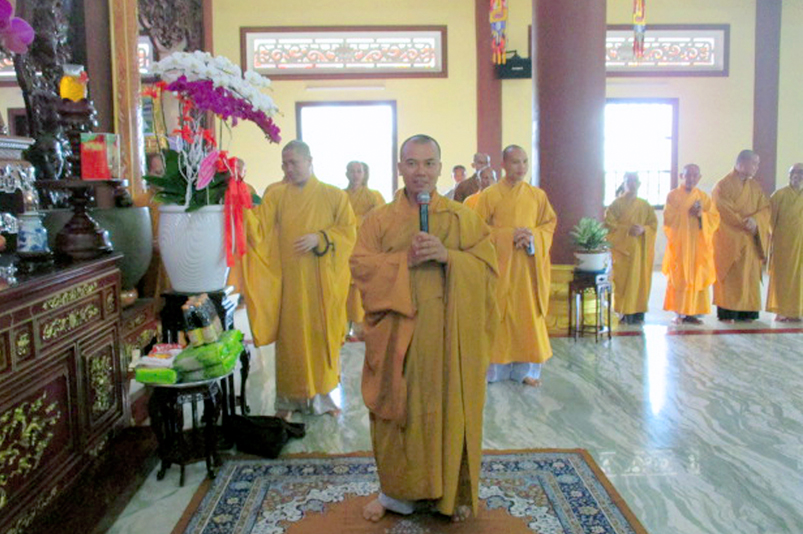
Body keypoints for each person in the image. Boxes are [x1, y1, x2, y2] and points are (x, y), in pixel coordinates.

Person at [351, 135, 498, 523]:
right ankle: (395, 494)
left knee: (449, 409)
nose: (421, 172)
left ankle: (449, 493)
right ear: (400, 167)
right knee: (397, 411)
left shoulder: (462, 218)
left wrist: (449, 258)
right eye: (412, 163)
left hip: (449, 334)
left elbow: (488, 270)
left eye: (429, 163)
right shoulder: (378, 220)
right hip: (396, 333)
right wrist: (404, 262)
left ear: (439, 168)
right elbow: (360, 267)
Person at [242, 140, 357, 418]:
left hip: (322, 284)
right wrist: (240, 204)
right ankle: (287, 402)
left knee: (321, 338)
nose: (288, 169)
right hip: (290, 284)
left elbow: (349, 232)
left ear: (309, 161)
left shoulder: (334, 195)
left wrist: (321, 238)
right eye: (284, 164)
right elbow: (259, 229)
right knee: (291, 343)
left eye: (293, 162)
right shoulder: (276, 196)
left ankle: (324, 398)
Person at [475, 145, 555, 387]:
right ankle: (494, 371)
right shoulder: (489, 195)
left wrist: (532, 237)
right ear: (503, 164)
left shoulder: (537, 196)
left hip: (528, 267)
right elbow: (477, 230)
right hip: (499, 267)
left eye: (525, 162)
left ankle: (526, 371)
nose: (521, 167)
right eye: (515, 162)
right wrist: (508, 236)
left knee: (527, 317)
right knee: (499, 316)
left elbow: (548, 225)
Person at [712, 150, 770, 322]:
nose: (756, 167)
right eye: (754, 163)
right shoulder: (722, 185)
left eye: (758, 164)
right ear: (741, 163)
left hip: (751, 239)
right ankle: (728, 312)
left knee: (749, 277)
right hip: (731, 239)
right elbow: (722, 210)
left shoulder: (755, 187)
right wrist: (745, 223)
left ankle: (748, 311)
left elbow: (765, 208)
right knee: (731, 277)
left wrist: (756, 221)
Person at [661, 164, 720, 324]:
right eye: (688, 175)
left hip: (698, 246)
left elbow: (714, 219)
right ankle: (679, 312)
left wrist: (701, 215)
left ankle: (693, 312)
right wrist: (685, 213)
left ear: (699, 178)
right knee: (679, 276)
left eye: (695, 176)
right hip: (680, 244)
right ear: (682, 176)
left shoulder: (703, 197)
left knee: (697, 274)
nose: (691, 179)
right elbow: (668, 219)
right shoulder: (672, 196)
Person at [605, 172, 657, 325]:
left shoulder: (645, 205)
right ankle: (623, 312)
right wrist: (627, 229)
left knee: (640, 281)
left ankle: (639, 312)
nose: (632, 184)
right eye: (629, 181)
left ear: (639, 184)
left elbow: (653, 225)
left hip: (640, 251)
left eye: (635, 181)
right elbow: (609, 226)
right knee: (623, 282)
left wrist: (643, 230)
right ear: (624, 183)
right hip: (623, 251)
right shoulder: (616, 204)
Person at [344, 160, 385, 339]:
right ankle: (343, 327)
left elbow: (379, 218)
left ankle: (362, 327)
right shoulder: (341, 196)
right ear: (346, 173)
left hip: (364, 246)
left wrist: (358, 220)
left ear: (364, 174)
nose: (355, 175)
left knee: (363, 286)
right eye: (352, 171)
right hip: (345, 246)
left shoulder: (373, 196)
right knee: (344, 286)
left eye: (358, 171)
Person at [766, 163, 803, 322]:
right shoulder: (779, 195)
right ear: (789, 175)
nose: (797, 176)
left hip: (800, 245)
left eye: (800, 173)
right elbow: (769, 221)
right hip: (784, 245)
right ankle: (781, 310)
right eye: (794, 172)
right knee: (782, 278)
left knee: (799, 278)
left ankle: (797, 310)